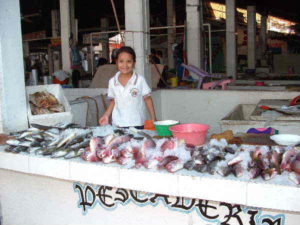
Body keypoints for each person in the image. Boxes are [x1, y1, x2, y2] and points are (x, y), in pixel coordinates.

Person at [99, 46, 157, 129]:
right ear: (116, 62)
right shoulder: (112, 81)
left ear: (134, 63)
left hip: (137, 123)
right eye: (121, 61)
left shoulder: (140, 80)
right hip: (118, 124)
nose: (125, 65)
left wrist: (153, 118)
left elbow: (148, 99)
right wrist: (106, 115)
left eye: (129, 61)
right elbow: (113, 101)